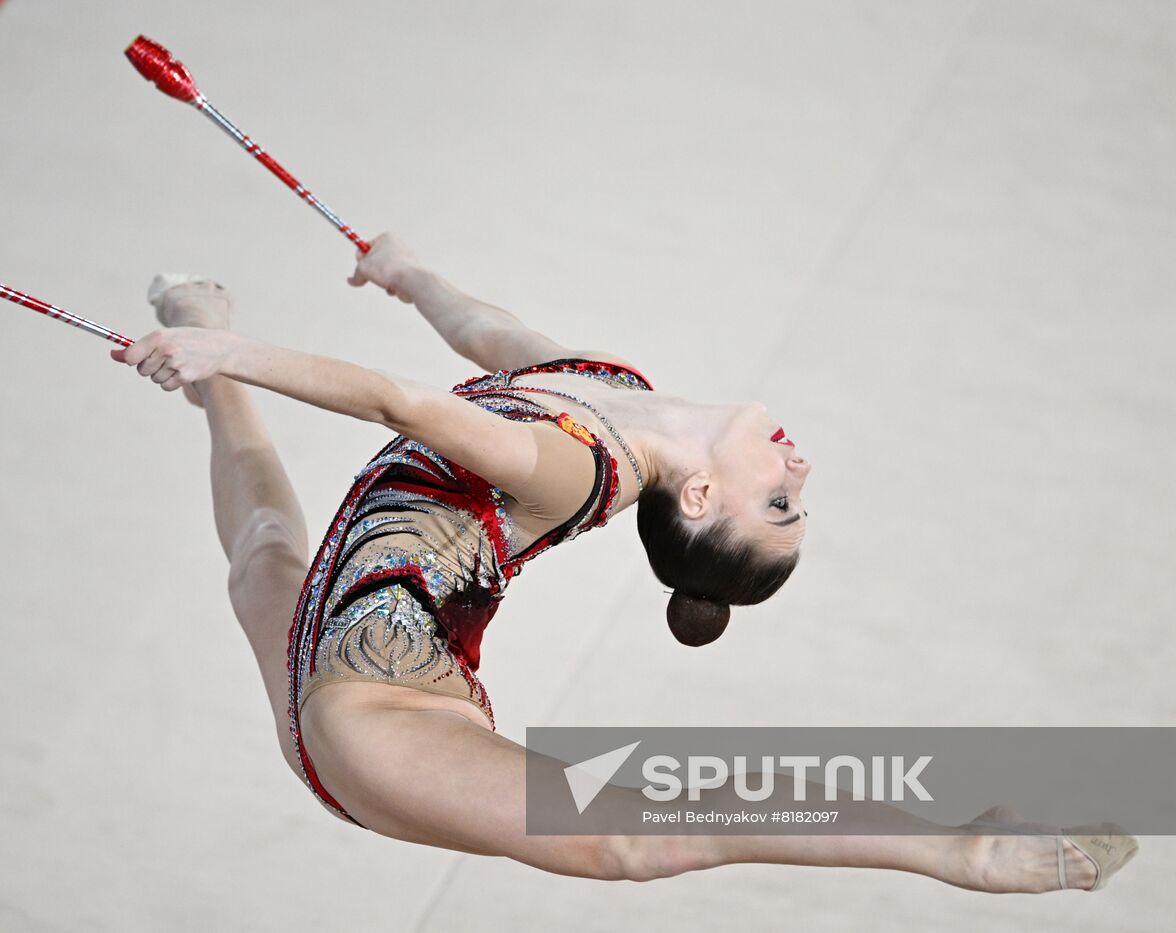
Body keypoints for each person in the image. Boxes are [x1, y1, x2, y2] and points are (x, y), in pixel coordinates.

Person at [111, 234, 1135, 893]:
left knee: (630, 838)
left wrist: (246, 359)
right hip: (321, 678)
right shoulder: (606, 389)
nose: (798, 466)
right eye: (793, 500)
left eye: (777, 503)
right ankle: (203, 335)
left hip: (383, 724)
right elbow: (494, 340)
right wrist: (413, 277)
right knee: (261, 557)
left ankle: (956, 847)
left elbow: (404, 405)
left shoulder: (573, 470)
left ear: (698, 500)